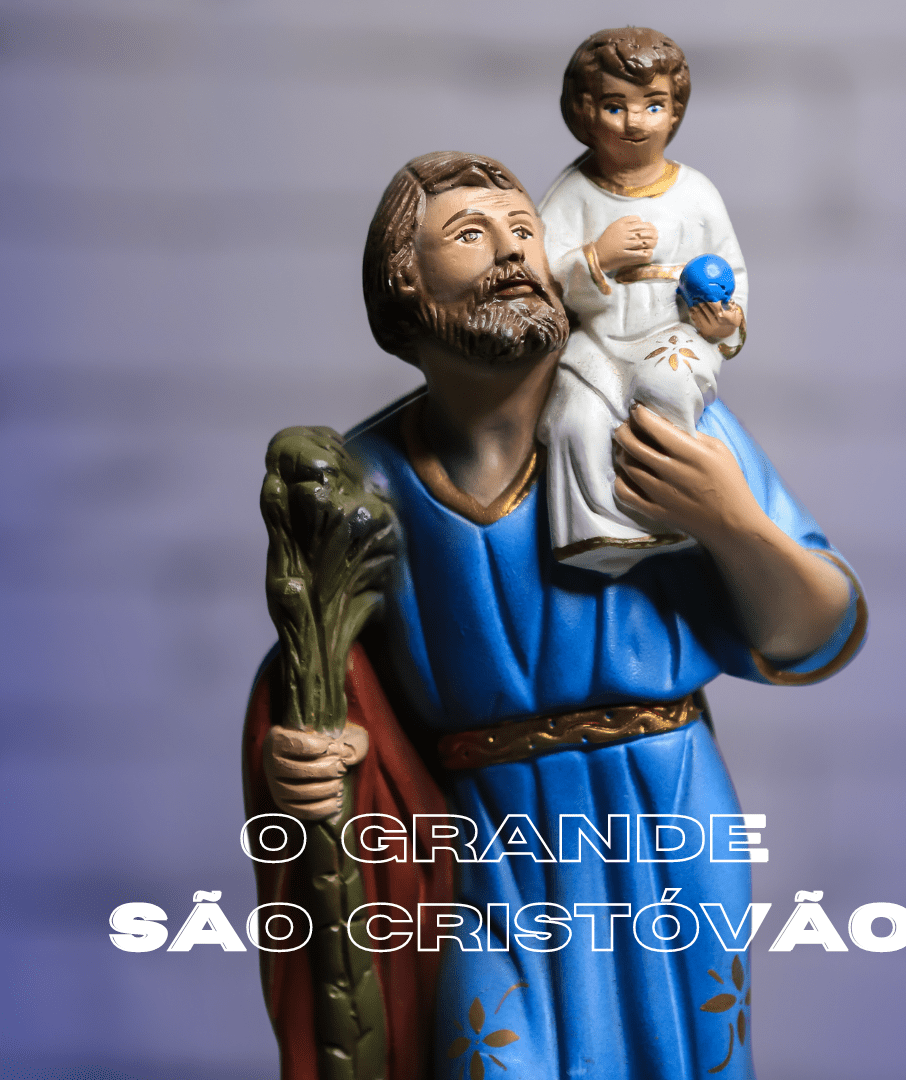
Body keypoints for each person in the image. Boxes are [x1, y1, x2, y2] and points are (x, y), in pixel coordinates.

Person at [250, 150, 866, 1080]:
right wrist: (302, 755)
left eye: (523, 230)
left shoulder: (658, 420)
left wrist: (730, 521)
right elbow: (322, 677)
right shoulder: (367, 485)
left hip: (665, 816)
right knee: (493, 1059)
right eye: (470, 234)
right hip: (486, 846)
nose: (511, 253)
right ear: (405, 285)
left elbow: (819, 632)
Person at [538, 27, 750, 575]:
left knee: (669, 384)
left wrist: (723, 322)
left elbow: (731, 271)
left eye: (653, 105)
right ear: (586, 113)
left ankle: (668, 515)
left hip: (673, 332)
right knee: (574, 417)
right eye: (616, 107)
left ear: (674, 112)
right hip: (598, 341)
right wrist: (598, 256)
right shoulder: (572, 193)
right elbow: (540, 275)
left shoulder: (696, 193)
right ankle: (598, 529)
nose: (636, 122)